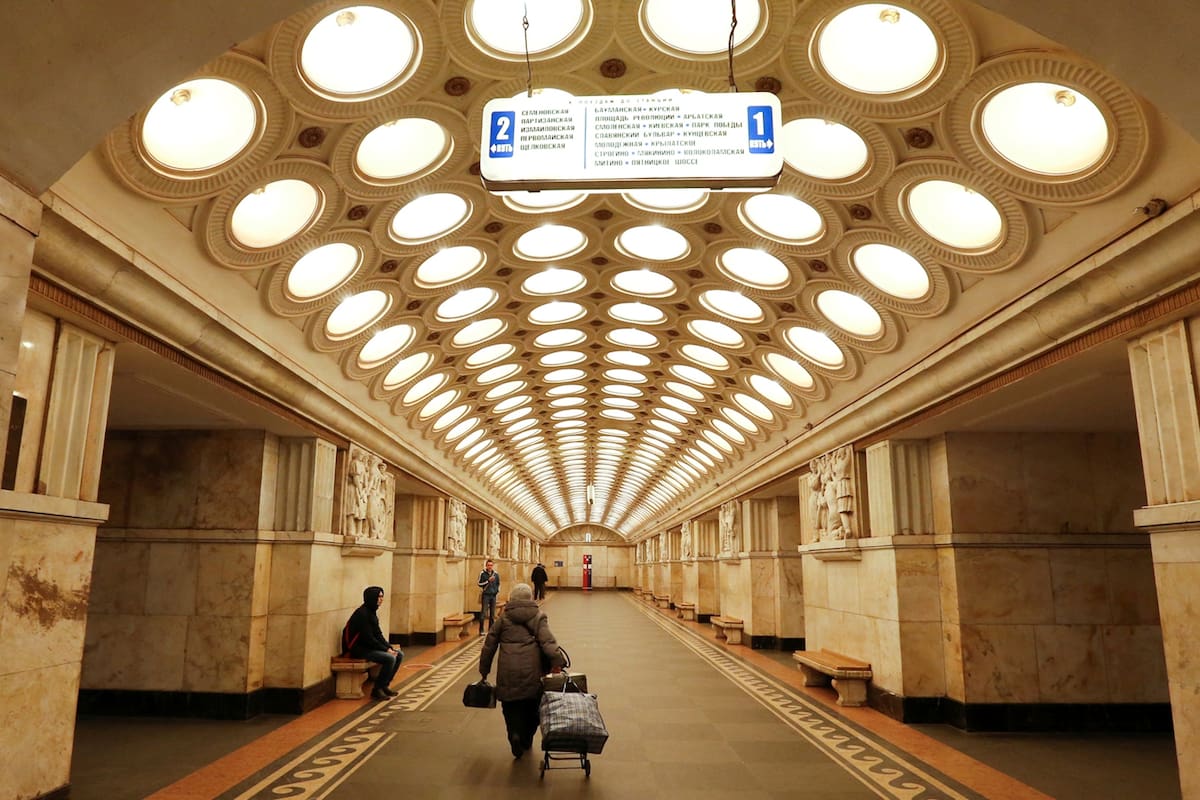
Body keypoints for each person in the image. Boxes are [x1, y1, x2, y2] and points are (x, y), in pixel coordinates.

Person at [478, 583, 564, 758]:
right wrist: (558, 662)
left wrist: (484, 670)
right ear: (530, 598)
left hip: (507, 671)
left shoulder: (503, 618)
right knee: (533, 707)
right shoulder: (538, 616)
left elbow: (489, 645)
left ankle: (514, 734)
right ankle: (525, 738)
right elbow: (548, 643)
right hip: (532, 671)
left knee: (510, 706)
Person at [343, 586, 403, 700]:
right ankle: (377, 689)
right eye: (379, 596)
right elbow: (368, 638)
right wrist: (386, 650)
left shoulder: (371, 612)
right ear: (372, 597)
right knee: (389, 658)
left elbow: (378, 634)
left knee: (399, 654)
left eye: (382, 596)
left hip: (368, 647)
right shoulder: (362, 614)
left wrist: (389, 647)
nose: (381, 599)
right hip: (358, 649)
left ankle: (384, 685)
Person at [477, 559, 500, 635]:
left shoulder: (496, 574)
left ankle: (491, 629)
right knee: (483, 612)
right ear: (486, 566)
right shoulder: (482, 573)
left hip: (493, 595)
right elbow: (479, 583)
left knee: (492, 613)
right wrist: (488, 581)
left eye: (491, 565)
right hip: (486, 595)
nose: (490, 567)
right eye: (488, 565)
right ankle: (481, 630)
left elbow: (498, 583)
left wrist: (496, 591)